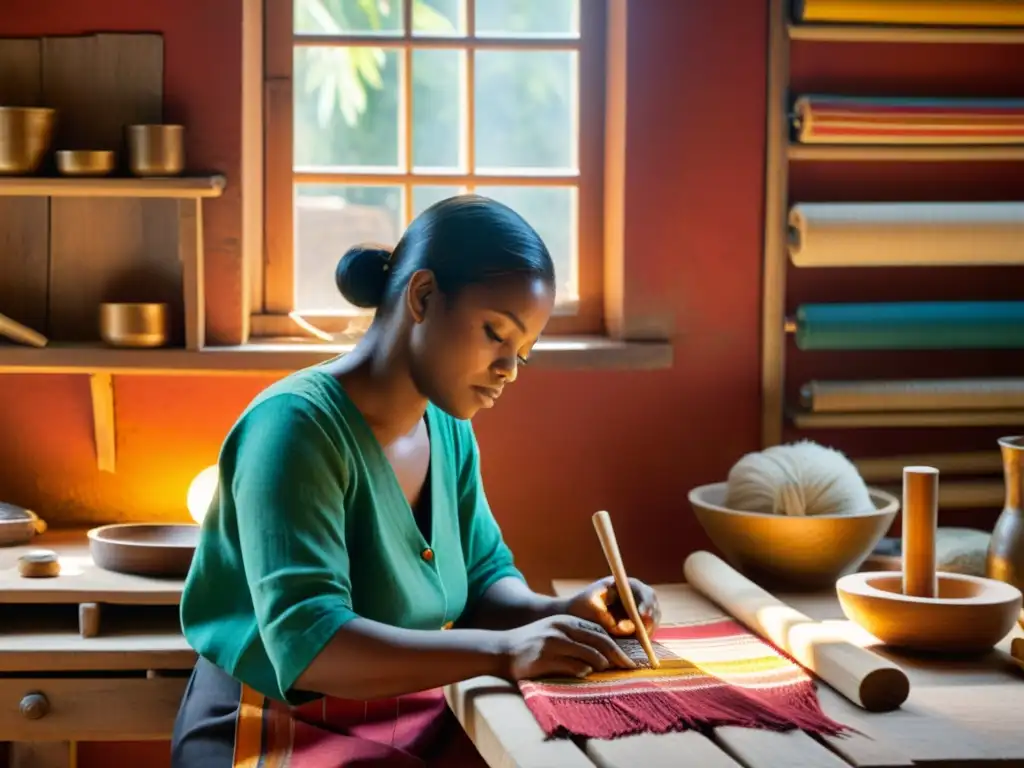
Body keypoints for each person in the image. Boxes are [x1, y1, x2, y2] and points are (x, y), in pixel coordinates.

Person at [171, 194, 662, 767]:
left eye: (522, 353)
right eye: (494, 333)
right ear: (423, 295)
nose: (507, 369)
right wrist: (504, 651)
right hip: (269, 727)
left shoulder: (448, 430)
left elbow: (483, 582)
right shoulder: (293, 429)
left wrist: (566, 611)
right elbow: (314, 647)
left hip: (410, 716)